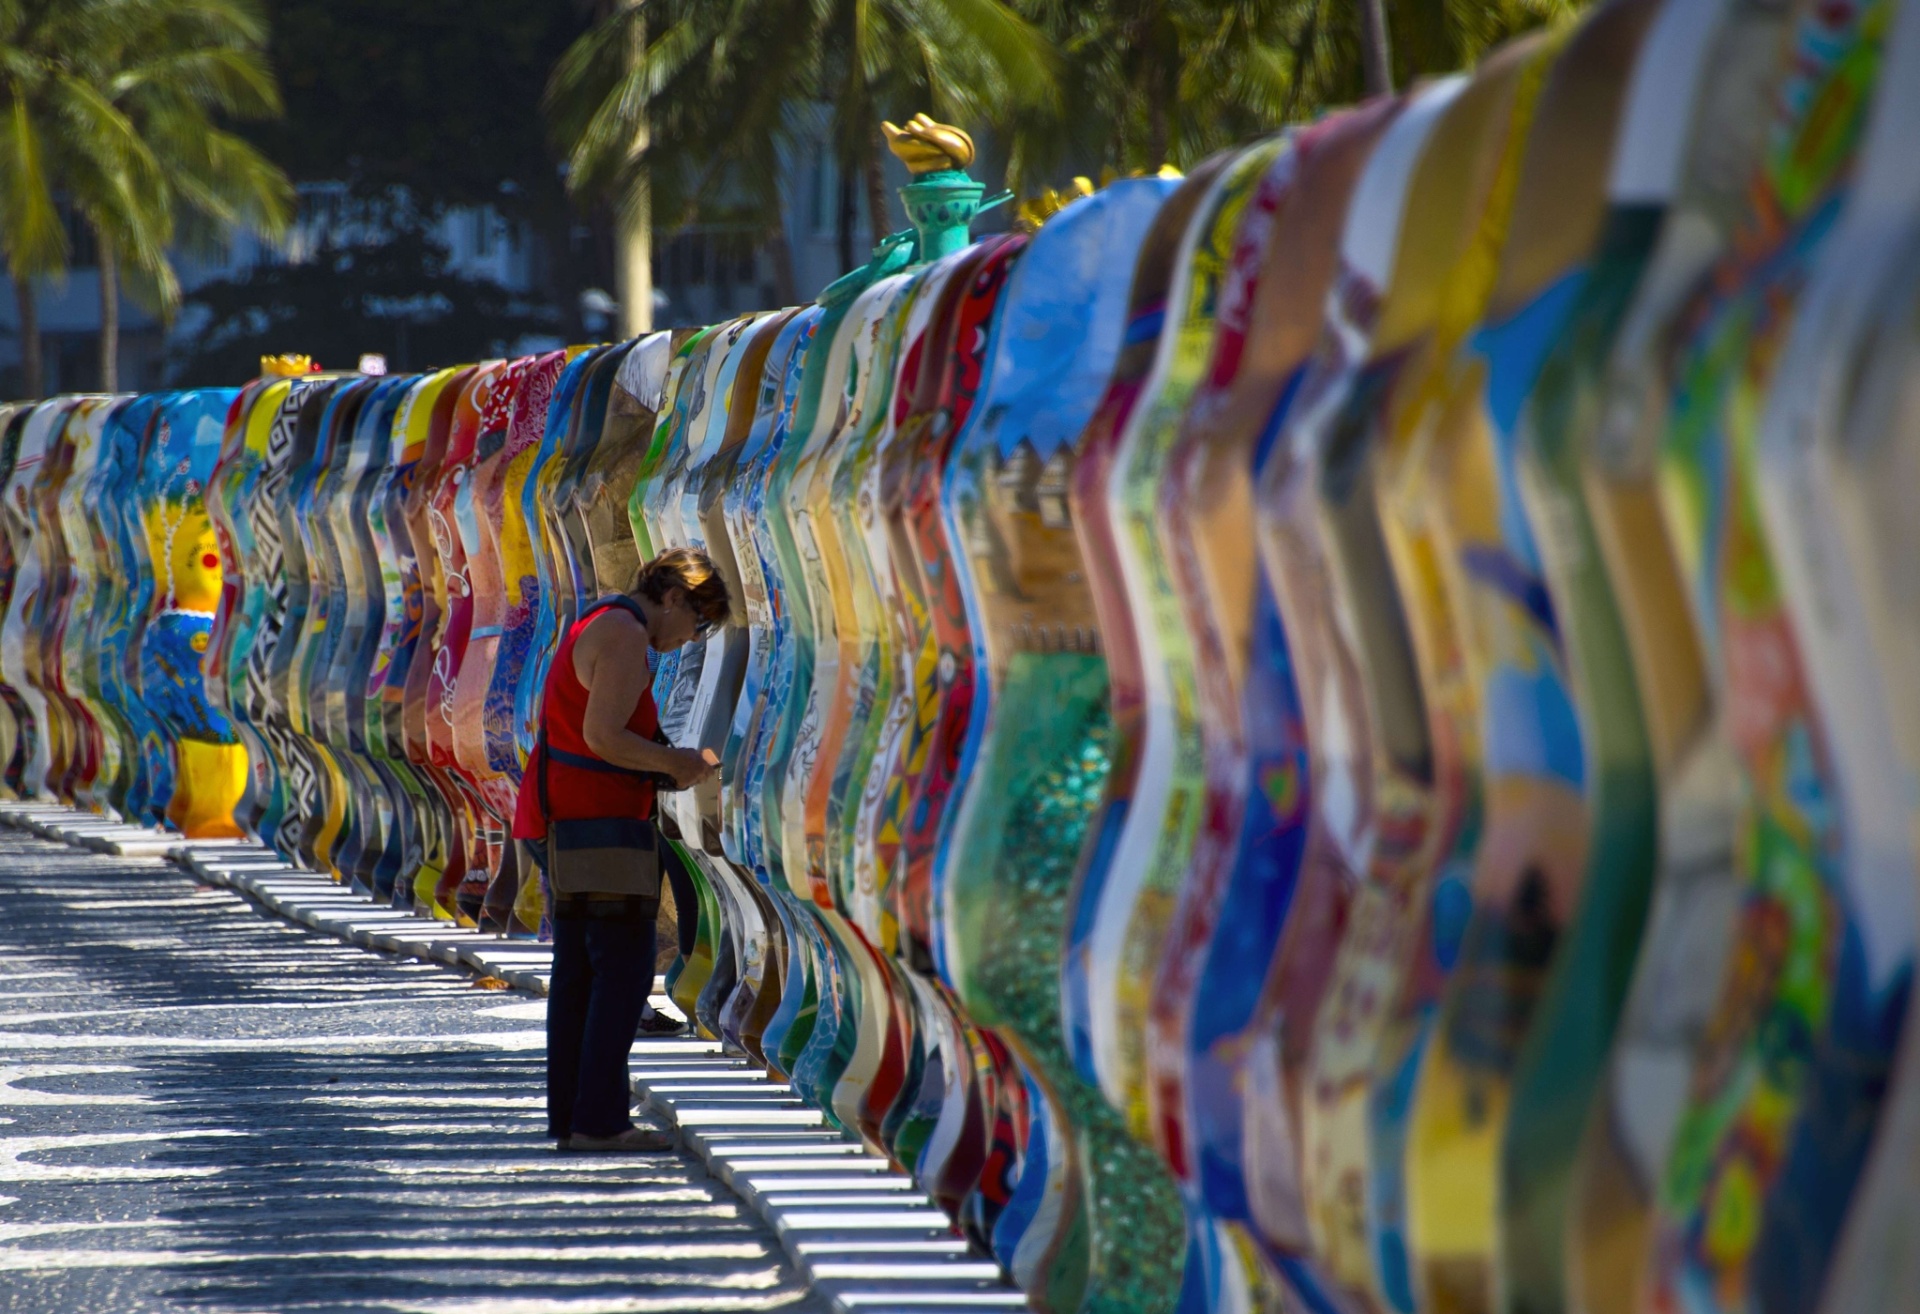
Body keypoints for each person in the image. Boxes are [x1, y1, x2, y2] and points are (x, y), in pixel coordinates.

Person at [512, 547, 729, 1152]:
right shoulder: (625, 632)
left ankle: (577, 1121)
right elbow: (604, 736)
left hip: (573, 816)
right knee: (626, 969)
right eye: (698, 621)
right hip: (595, 821)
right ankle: (600, 1122)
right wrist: (676, 763)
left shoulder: (603, 621)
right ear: (674, 598)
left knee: (582, 972)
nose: (691, 637)